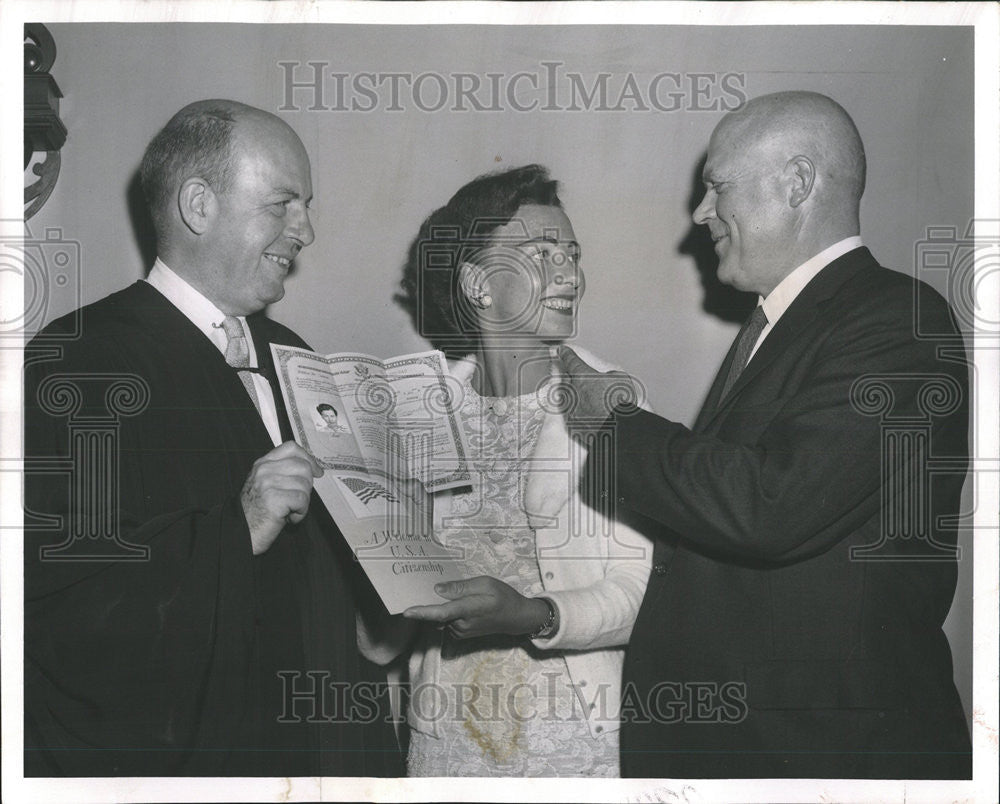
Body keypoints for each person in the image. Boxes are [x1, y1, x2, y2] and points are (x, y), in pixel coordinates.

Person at [556, 91, 971, 779]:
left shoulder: (897, 317)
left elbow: (769, 506)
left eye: (717, 187)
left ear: (798, 183)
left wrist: (612, 424)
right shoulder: (788, 324)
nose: (700, 213)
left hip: (827, 755)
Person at [23, 100, 401, 776]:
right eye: (284, 204)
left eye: (306, 206)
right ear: (199, 205)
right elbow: (66, 609)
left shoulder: (296, 356)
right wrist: (240, 525)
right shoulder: (81, 363)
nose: (306, 230)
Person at [373, 164, 654, 776]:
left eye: (572, 254)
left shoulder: (611, 407)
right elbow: (384, 635)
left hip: (578, 755)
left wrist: (531, 614)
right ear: (478, 283)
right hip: (445, 754)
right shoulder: (415, 413)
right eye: (542, 252)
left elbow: (642, 596)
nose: (570, 274)